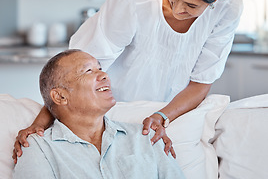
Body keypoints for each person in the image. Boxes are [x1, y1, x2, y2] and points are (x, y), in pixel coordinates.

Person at [13, 0, 243, 160]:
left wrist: (162, 117)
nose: (178, 9)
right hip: (111, 109)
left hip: (171, 114)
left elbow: (201, 82)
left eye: (192, 6)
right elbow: (79, 68)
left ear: (214, 1)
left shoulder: (227, 9)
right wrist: (41, 122)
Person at [13, 49, 185, 179]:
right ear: (60, 96)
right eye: (88, 71)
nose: (104, 75)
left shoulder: (147, 137)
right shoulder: (38, 147)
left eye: (100, 68)